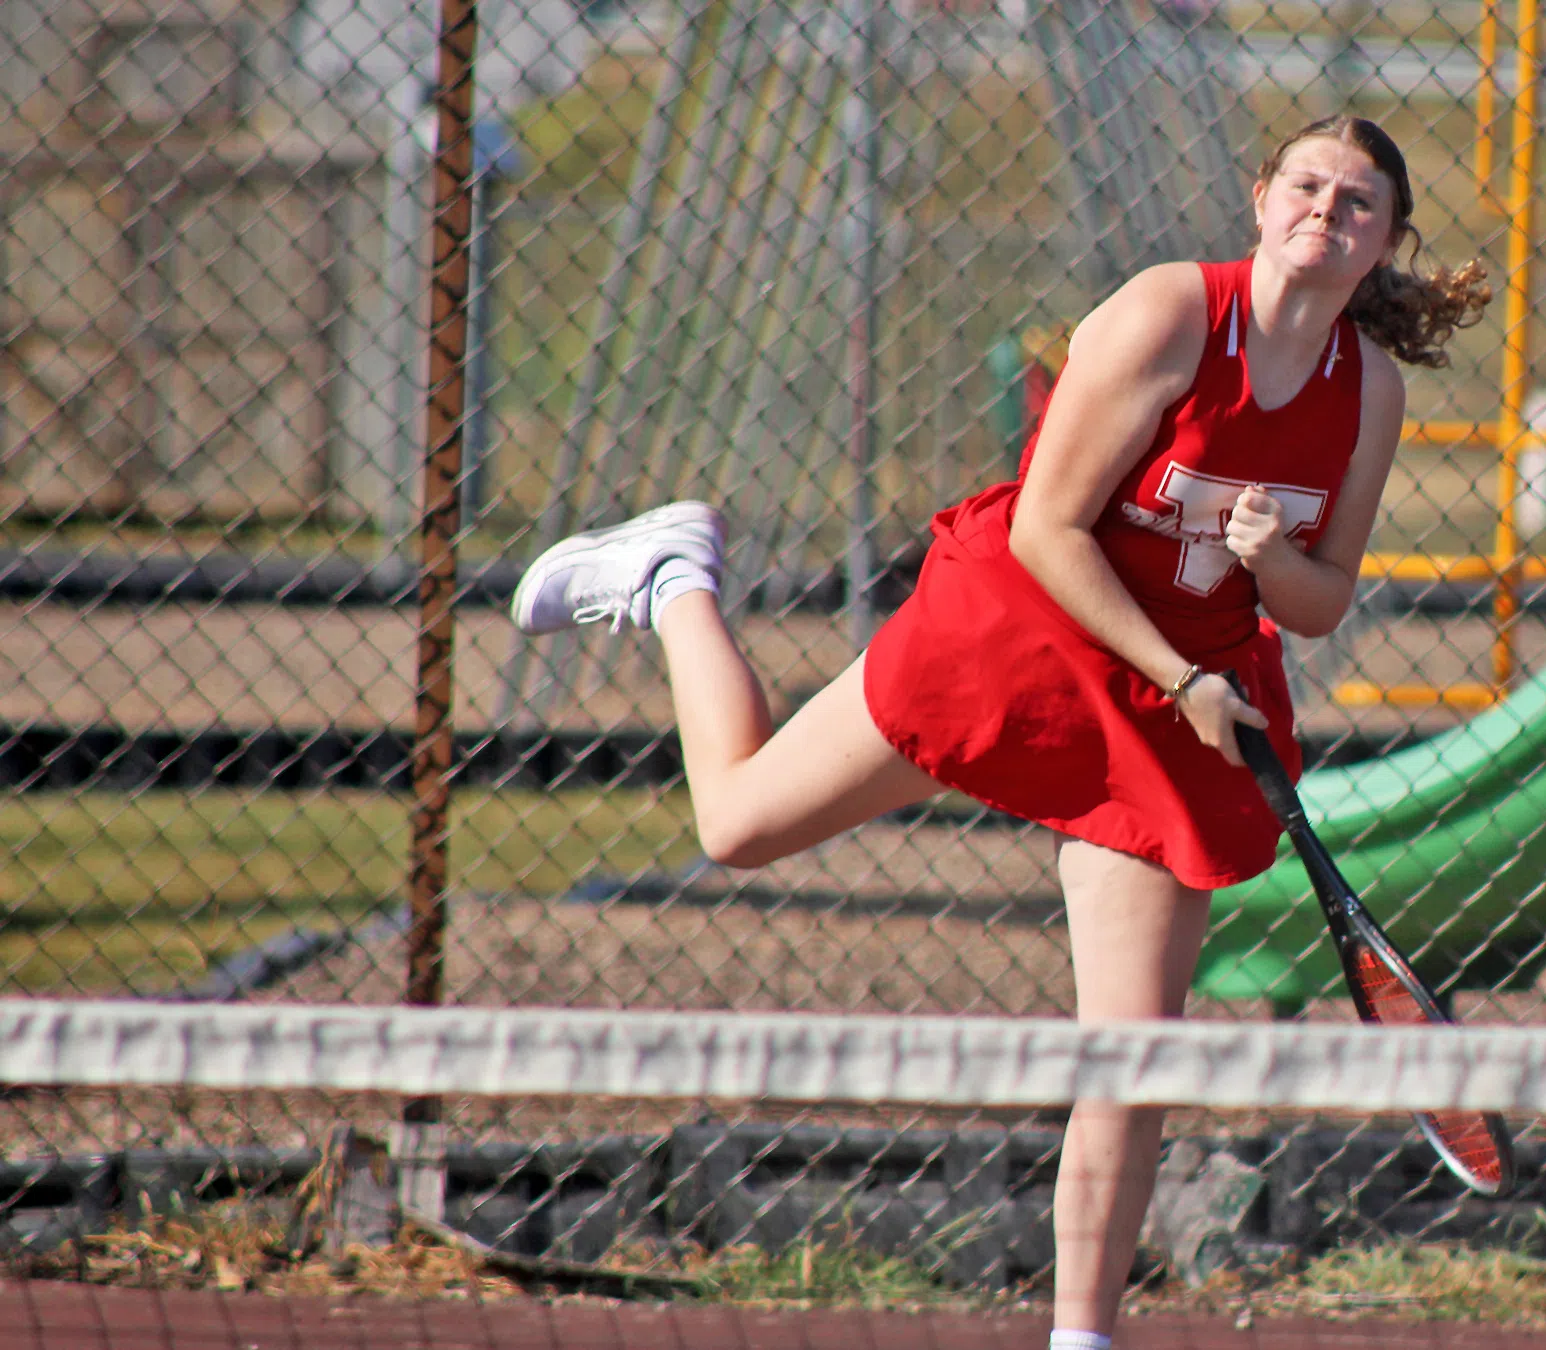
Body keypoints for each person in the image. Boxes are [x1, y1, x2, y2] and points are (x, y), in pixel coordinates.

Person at [507, 115, 1488, 1350]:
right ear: (1259, 198)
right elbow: (1048, 531)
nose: (1326, 214)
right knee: (738, 821)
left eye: (1358, 205)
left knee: (1132, 1056)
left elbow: (1323, 600)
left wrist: (1271, 561)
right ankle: (672, 579)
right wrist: (1178, 671)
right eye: (1306, 186)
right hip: (1028, 624)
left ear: (1389, 241)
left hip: (1182, 705)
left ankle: (1081, 1338)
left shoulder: (1369, 391)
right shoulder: (1169, 315)